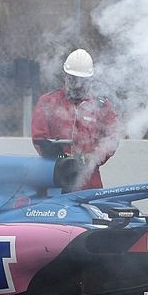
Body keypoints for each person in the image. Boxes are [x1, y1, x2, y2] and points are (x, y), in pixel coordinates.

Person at [31, 48, 119, 189]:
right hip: (55, 177)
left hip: (88, 181)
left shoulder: (102, 107)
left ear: (90, 80)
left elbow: (112, 138)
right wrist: (60, 158)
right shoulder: (48, 102)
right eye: (73, 79)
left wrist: (94, 157)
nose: (77, 85)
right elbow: (39, 138)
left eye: (82, 81)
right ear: (65, 76)